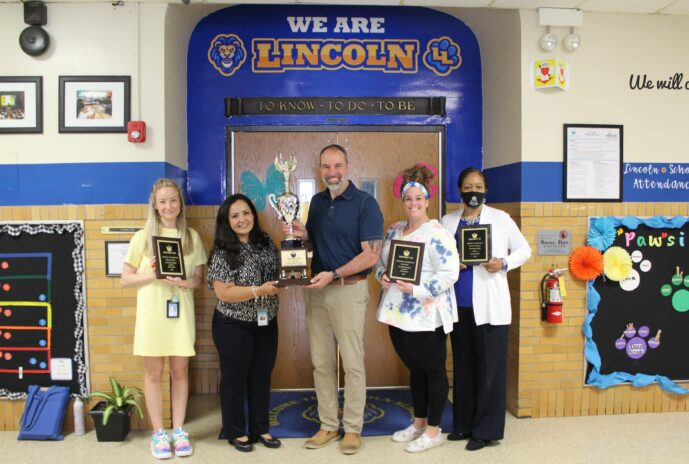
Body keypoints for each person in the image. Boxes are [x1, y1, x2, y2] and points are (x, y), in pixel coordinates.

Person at [285, 144, 384, 455]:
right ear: (320, 170)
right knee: (322, 363)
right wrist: (303, 236)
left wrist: (335, 273)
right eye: (326, 167)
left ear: (348, 166)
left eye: (337, 166)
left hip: (349, 289)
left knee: (353, 364)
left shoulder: (366, 204)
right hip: (318, 290)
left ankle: (352, 428)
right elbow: (318, 242)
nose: (332, 172)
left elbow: (371, 254)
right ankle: (328, 424)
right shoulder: (315, 202)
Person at [440, 167, 532, 451]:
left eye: (478, 186)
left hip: (491, 308)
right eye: (468, 187)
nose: (473, 191)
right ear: (460, 191)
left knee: (490, 370)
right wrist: (451, 264)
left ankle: (486, 430)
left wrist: (502, 262)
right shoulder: (447, 221)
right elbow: (439, 256)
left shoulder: (500, 219)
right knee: (464, 367)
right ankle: (463, 424)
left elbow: (524, 249)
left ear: (486, 190)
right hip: (459, 307)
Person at [375, 165, 459, 453]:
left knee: (433, 370)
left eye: (418, 199)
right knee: (415, 370)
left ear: (427, 200)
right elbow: (380, 264)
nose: (413, 204)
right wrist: (382, 276)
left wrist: (419, 289)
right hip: (397, 314)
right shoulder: (394, 229)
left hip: (426, 314)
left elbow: (449, 273)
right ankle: (420, 422)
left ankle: (434, 430)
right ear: (402, 200)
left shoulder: (437, 233)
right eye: (408, 198)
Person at [121, 178, 206, 459]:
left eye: (173, 200)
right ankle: (159, 434)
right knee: (154, 373)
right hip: (152, 315)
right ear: (155, 207)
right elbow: (125, 279)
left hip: (180, 313)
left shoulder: (192, 238)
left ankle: (179, 431)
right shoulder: (142, 237)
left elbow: (198, 280)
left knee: (180, 371)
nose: (168, 206)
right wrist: (153, 275)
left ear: (180, 204)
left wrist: (184, 282)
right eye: (162, 201)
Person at [207, 193, 282, 453]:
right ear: (227, 221)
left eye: (246, 213)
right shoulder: (222, 251)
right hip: (233, 324)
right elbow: (223, 292)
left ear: (254, 215)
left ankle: (261, 428)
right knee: (234, 378)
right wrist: (258, 290)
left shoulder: (267, 242)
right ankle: (236, 431)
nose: (242, 219)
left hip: (266, 322)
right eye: (235, 215)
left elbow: (281, 272)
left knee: (261, 377)